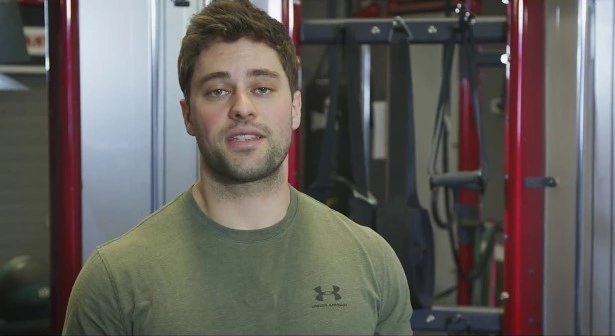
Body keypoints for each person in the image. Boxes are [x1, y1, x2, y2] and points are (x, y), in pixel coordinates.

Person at [62, 0, 413, 334]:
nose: (242, 107)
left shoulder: (372, 261)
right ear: (188, 116)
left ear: (295, 108)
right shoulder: (114, 281)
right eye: (217, 91)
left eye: (262, 88)